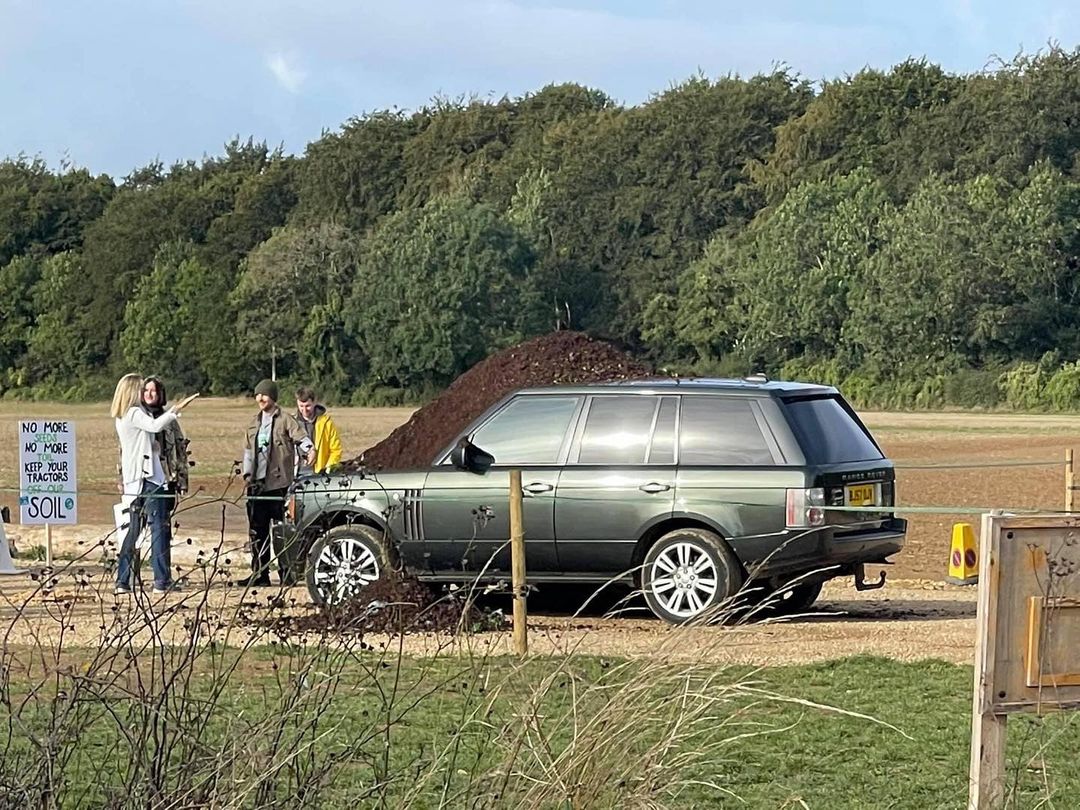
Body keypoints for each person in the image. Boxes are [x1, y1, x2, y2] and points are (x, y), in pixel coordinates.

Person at [111, 373, 195, 595]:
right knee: (158, 529)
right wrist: (175, 411)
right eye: (141, 390)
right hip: (149, 479)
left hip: (135, 480)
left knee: (134, 530)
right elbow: (155, 426)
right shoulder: (134, 413)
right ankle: (161, 581)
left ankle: (122, 580)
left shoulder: (122, 415)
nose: (144, 394)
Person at [239, 379, 315, 587]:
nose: (260, 398)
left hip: (279, 485)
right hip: (257, 486)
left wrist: (310, 450)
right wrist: (247, 476)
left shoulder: (286, 420)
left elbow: (301, 437)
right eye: (258, 395)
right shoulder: (253, 423)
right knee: (257, 533)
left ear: (273, 397)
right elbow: (247, 452)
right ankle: (259, 574)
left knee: (282, 532)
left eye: (265, 395)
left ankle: (286, 574)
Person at [141, 376, 191, 513]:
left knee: (163, 522)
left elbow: (180, 449)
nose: (149, 394)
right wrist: (122, 479)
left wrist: (182, 480)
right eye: (146, 390)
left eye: (153, 391)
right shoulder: (138, 417)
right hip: (142, 479)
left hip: (167, 478)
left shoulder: (170, 418)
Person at [294, 386, 343, 476]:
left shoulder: (327, 423)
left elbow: (336, 450)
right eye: (301, 406)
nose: (304, 410)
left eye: (307, 406)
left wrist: (328, 469)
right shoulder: (292, 423)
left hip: (319, 474)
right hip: (296, 474)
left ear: (314, 402)